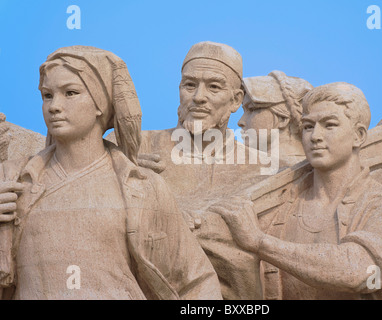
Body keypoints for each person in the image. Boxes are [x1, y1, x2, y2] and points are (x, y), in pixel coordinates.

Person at [0, 46, 221, 300]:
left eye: (70, 93)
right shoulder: (13, 180)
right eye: (47, 95)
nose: (54, 106)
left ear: (100, 104)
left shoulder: (143, 187)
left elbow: (197, 281)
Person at [212, 82, 382, 299]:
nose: (315, 137)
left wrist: (260, 243)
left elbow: (360, 270)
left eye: (329, 125)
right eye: (308, 126)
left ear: (359, 136)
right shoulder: (280, 206)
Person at [111, 41, 270, 299]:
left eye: (214, 87)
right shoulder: (136, 146)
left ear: (236, 100)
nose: (198, 97)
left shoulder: (261, 166)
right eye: (190, 85)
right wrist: (118, 167)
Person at [239, 71, 313, 167]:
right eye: (245, 111)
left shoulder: (315, 173)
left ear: (283, 119)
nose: (240, 122)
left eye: (252, 109)